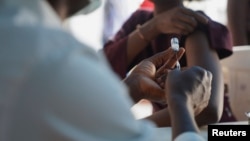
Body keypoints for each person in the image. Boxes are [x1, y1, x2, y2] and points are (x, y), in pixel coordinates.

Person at [0, 0, 212, 140]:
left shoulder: (19, 37)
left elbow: (212, 110)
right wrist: (182, 103)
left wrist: (129, 91)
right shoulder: (57, 60)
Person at [102, 0, 233, 126]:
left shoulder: (192, 24)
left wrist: (136, 127)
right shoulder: (141, 20)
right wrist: (154, 26)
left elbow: (207, 108)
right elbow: (102, 66)